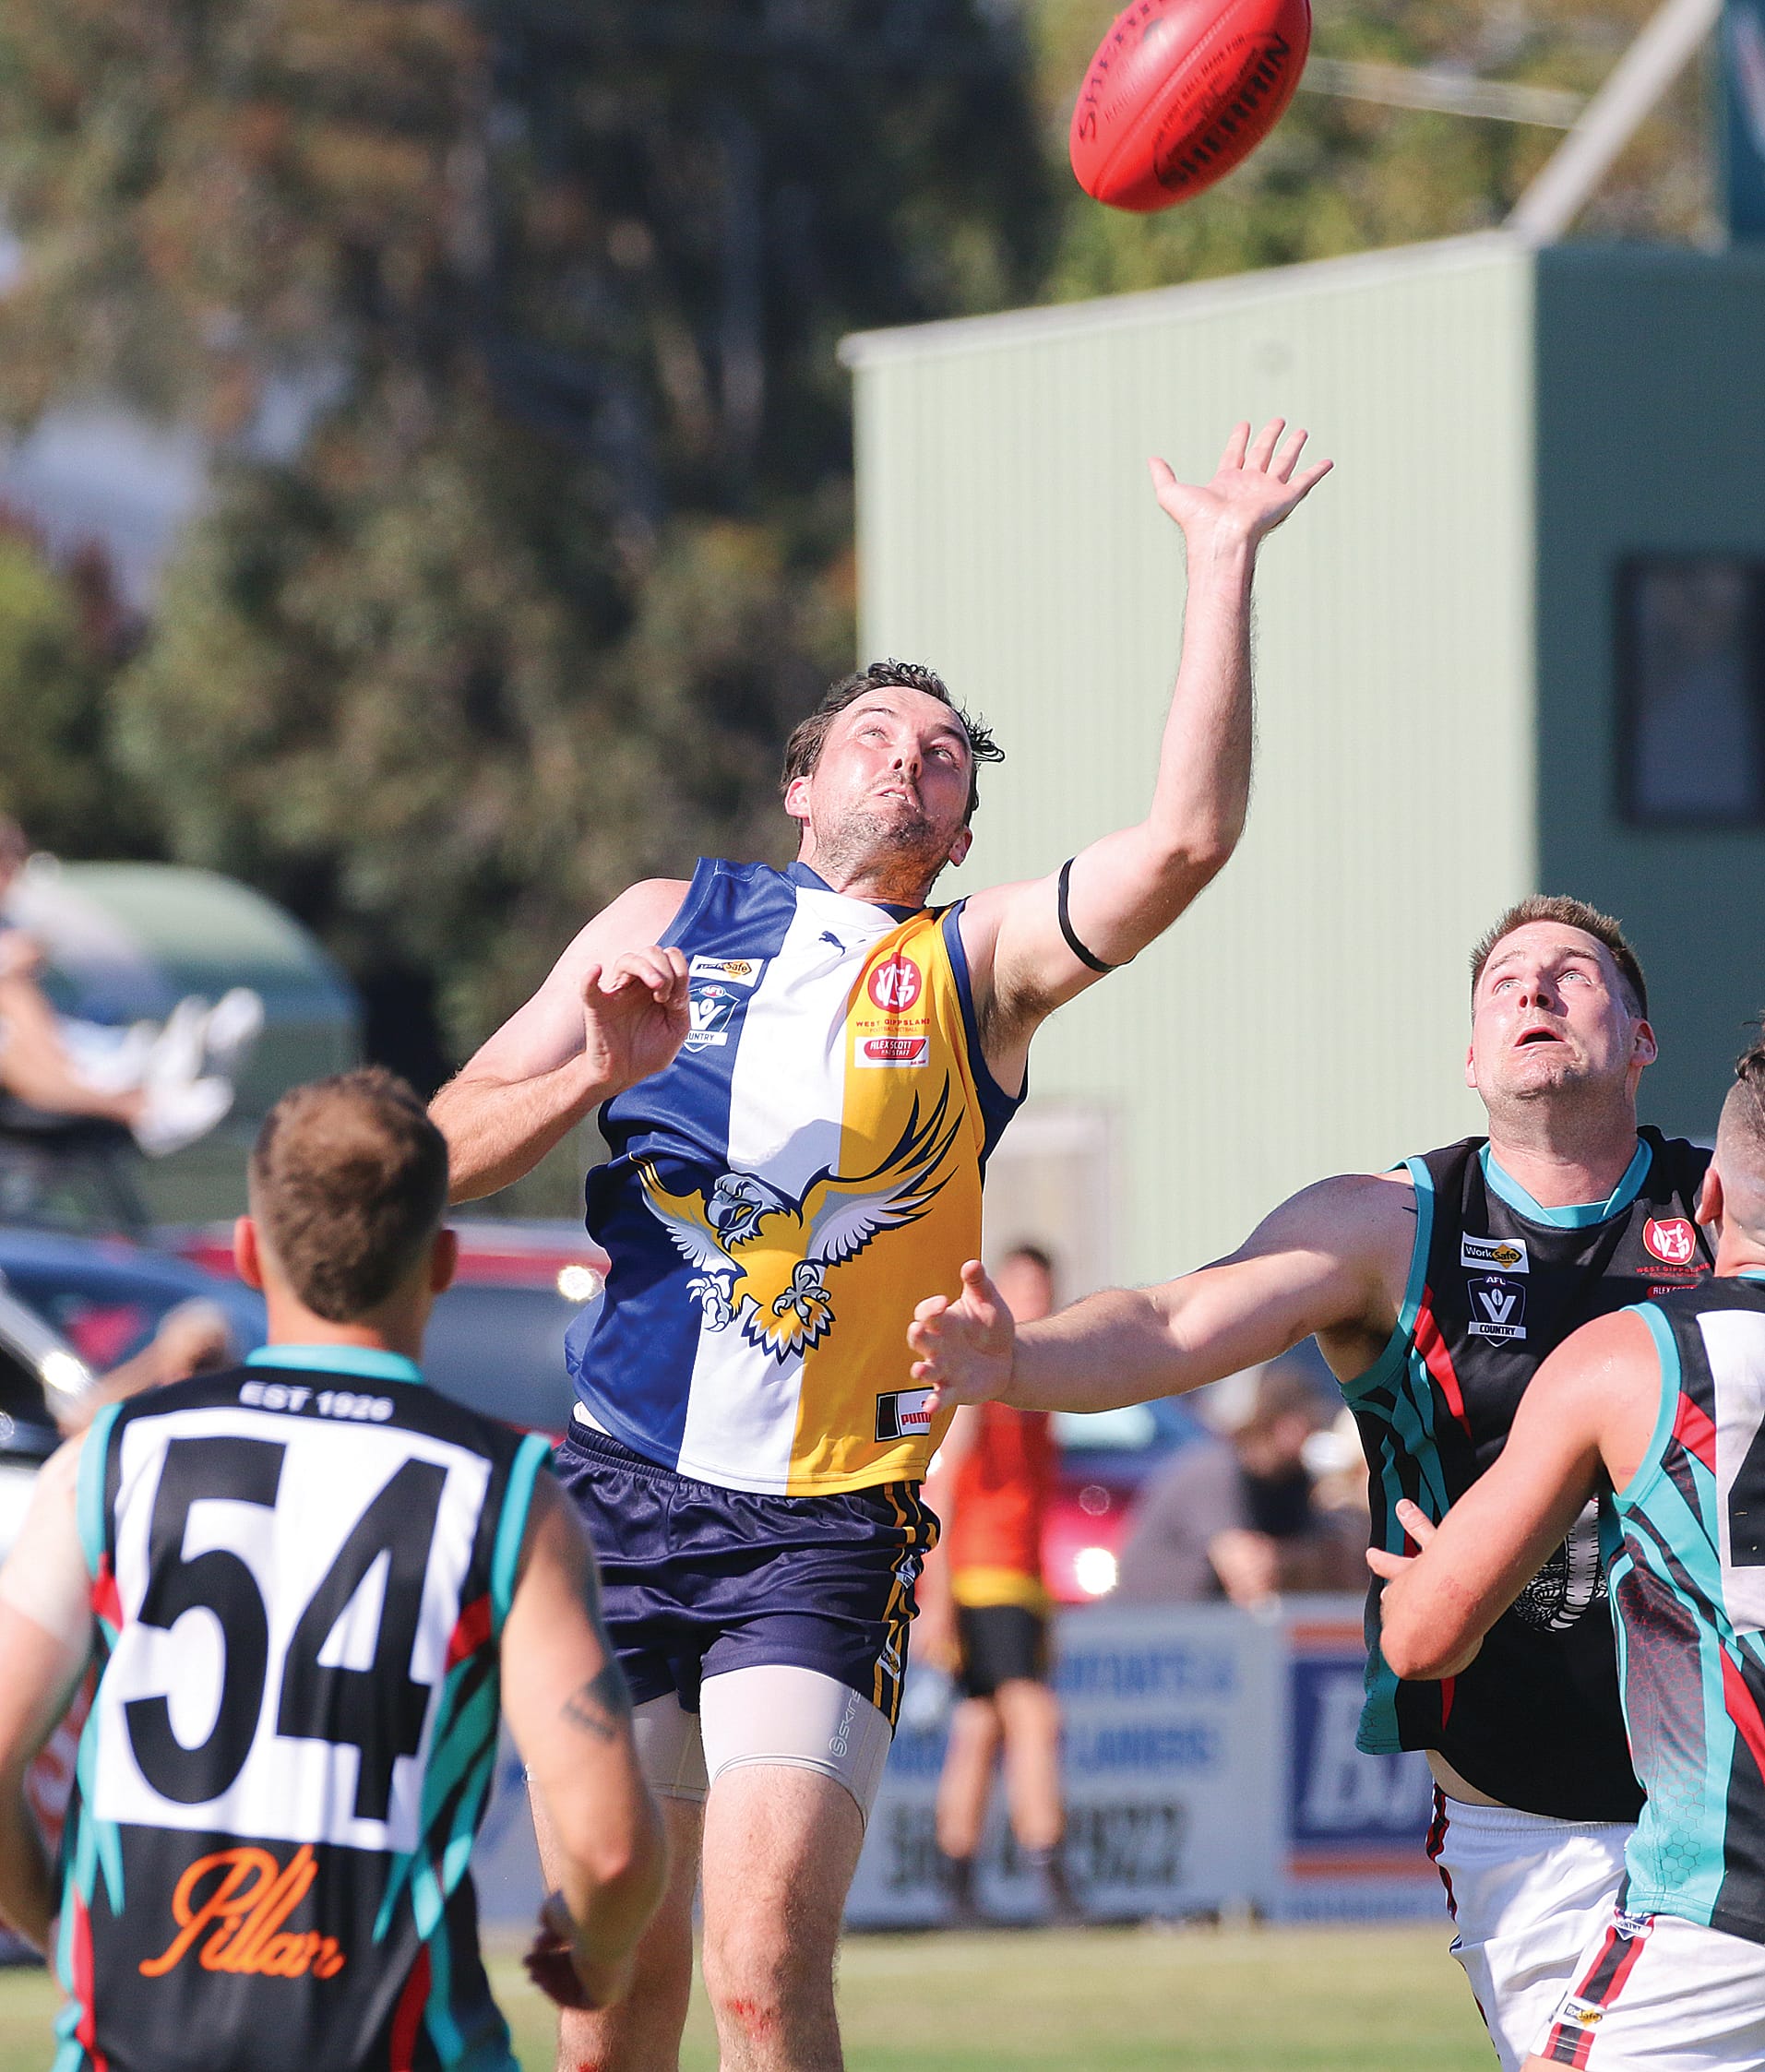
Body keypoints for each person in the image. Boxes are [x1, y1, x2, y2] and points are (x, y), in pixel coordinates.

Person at [431, 419, 1330, 2072]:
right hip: (618, 1499)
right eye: (874, 732)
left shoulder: (969, 967)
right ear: (798, 783)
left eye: (943, 754)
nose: (909, 757)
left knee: (762, 1969)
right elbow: (426, 1150)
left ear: (964, 828)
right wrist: (588, 1071)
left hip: (824, 1527)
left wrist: (1220, 563)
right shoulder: (657, 925)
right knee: (610, 1985)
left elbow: (1182, 845)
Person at [907, 895, 1711, 2070]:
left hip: (1731, 1781)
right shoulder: (1389, 1221)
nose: (1533, 989)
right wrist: (1018, 1359)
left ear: (1640, 1040)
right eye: (1503, 983)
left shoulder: (1725, 1215)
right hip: (1527, 1813)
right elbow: (1176, 1317)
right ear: (1470, 1058)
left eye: (1573, 973)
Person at [0, 1068, 670, 2070]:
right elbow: (612, 1847)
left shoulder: (112, 1461)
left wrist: (66, 1933)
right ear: (441, 1261)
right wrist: (601, 1959)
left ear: (244, 1251)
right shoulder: (500, 1489)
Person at [1370, 1038, 1765, 2071]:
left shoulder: (1632, 1354)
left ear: (1709, 1193)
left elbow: (1419, 1641)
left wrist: (1430, 1577)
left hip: (1725, 1914)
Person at [917, 1244, 1073, 1925]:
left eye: (1042, 1289)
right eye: (1022, 1288)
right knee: (1035, 1718)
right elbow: (944, 1491)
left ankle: (955, 1879)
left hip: (1019, 1580)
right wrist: (937, 1598)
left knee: (980, 1726)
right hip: (983, 1577)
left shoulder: (1038, 1382)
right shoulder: (986, 1381)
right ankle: (1051, 1871)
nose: (1033, 1302)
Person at [0, 816, 251, 1157]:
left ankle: (151, 1076)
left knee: (19, 1016)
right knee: (13, 1004)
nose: (12, 877)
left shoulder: (14, 918)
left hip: (35, 1043)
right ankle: (146, 1101)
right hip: (23, 1055)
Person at [1115, 1362, 1360, 1606]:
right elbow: (1247, 1572)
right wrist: (1296, 1560)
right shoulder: (1217, 1471)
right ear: (1287, 1426)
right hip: (1152, 1626)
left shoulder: (1293, 1477)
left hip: (1210, 1626)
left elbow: (1330, 1557)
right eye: (1311, 1424)